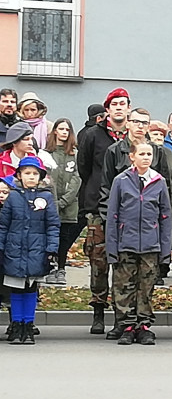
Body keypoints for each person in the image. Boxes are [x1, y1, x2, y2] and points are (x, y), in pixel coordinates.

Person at [106, 142, 172, 345]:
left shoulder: (159, 182)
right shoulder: (121, 181)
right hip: (126, 244)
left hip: (151, 246)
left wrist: (165, 250)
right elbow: (113, 215)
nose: (146, 157)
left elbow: (165, 217)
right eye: (142, 154)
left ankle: (143, 326)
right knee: (124, 287)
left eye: (149, 154)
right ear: (131, 157)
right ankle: (126, 325)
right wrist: (112, 247)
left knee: (146, 287)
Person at [78, 88, 131, 335]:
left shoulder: (133, 138)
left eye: (123, 103)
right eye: (114, 104)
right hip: (99, 208)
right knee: (98, 262)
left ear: (128, 108)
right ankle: (98, 311)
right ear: (107, 110)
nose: (119, 107)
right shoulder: (93, 135)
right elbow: (84, 169)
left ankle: (123, 315)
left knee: (125, 263)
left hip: (129, 209)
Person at [0, 156, 59, 345]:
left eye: (35, 174)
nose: (31, 177)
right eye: (27, 173)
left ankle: (28, 324)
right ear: (19, 175)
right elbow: (3, 225)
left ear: (41, 177)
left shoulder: (46, 197)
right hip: (14, 250)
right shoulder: (13, 197)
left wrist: (51, 248)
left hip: (36, 250)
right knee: (15, 289)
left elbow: (52, 225)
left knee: (31, 288)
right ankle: (16, 324)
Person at [44, 119, 82, 286]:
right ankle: (50, 267)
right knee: (50, 236)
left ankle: (61, 268)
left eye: (67, 129)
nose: (64, 132)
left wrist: (64, 200)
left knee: (64, 238)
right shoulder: (47, 153)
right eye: (61, 129)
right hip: (50, 203)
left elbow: (77, 178)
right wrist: (54, 201)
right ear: (55, 131)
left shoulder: (75, 153)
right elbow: (45, 178)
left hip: (69, 204)